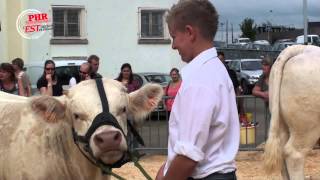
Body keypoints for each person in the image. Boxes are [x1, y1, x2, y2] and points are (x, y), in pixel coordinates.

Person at [156, 1, 240, 179]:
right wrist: (167, 167)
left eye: (174, 37)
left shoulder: (199, 79)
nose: (173, 45)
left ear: (189, 32)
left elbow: (188, 157)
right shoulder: (215, 69)